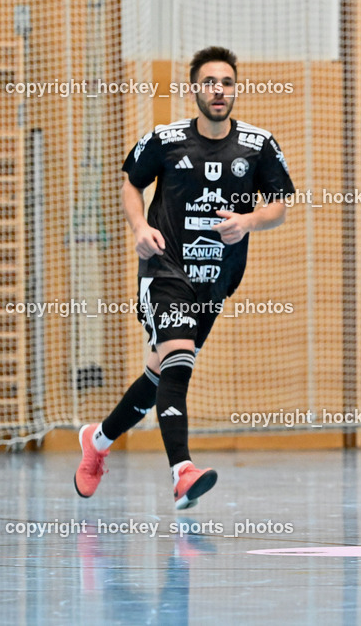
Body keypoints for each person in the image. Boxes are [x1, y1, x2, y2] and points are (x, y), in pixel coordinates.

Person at [74, 46, 295, 509]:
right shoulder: (166, 139)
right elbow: (131, 182)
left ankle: (96, 441)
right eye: (210, 82)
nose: (219, 90)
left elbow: (279, 204)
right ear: (195, 87)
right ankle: (182, 471)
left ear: (236, 89)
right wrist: (140, 227)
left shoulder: (257, 145)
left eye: (228, 82)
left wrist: (249, 221)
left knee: (162, 372)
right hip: (164, 269)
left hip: (215, 282)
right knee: (178, 358)